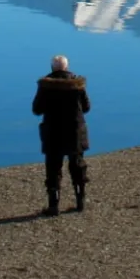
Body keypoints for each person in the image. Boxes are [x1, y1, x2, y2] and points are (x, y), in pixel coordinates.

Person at [32, 54, 91, 216]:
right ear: (67, 67)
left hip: (53, 132)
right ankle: (80, 201)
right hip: (75, 131)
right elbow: (86, 107)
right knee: (77, 165)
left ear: (52, 68)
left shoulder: (45, 85)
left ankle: (54, 205)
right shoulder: (77, 84)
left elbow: (36, 109)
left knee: (53, 168)